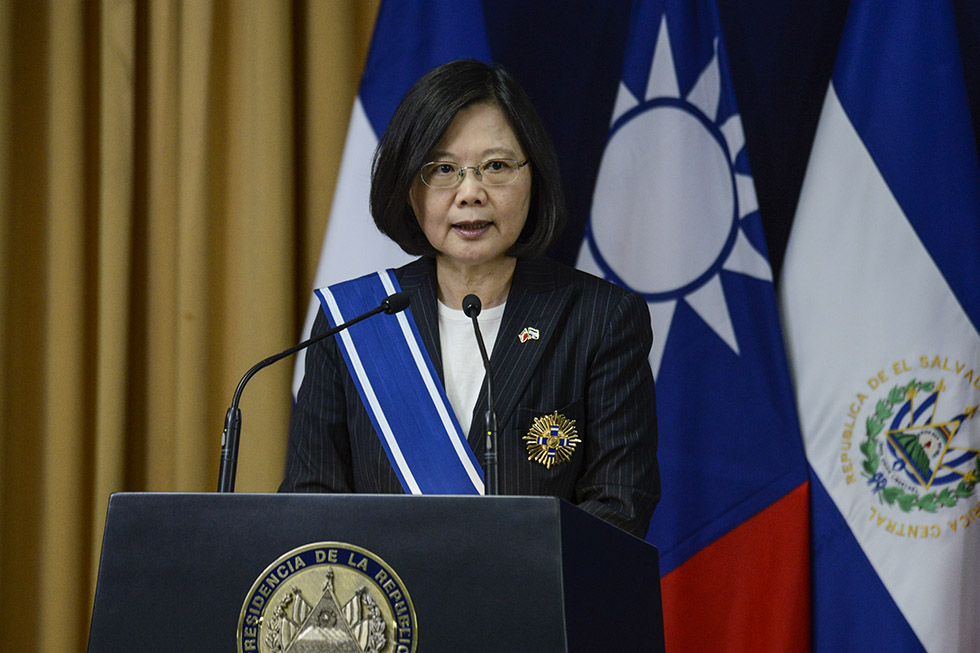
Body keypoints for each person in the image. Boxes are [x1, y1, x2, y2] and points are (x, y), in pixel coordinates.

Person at [280, 60, 659, 537]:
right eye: (442, 169)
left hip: (534, 607)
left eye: (496, 166)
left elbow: (620, 507)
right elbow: (310, 503)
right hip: (386, 606)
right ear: (409, 189)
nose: (471, 192)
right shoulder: (356, 321)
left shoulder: (600, 320)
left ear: (533, 175)